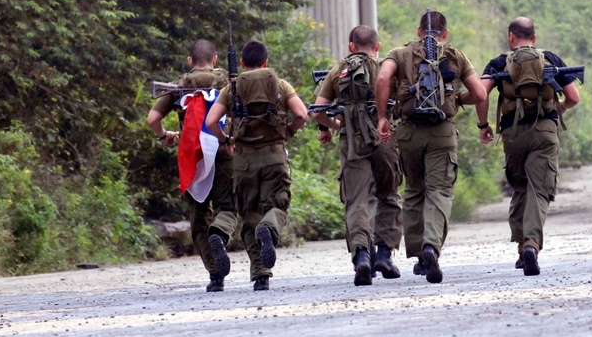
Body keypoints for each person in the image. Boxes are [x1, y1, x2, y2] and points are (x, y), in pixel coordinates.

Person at [376, 10, 486, 283]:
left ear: (418, 31)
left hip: (409, 132)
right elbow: (481, 93)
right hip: (442, 132)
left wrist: (381, 117)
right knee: (439, 191)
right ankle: (431, 246)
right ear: (444, 33)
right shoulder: (455, 55)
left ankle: (417, 254)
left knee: (414, 189)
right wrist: (458, 99)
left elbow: (381, 79)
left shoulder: (399, 54)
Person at [476, 17, 579, 276]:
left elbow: (481, 92)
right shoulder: (551, 59)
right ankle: (532, 245)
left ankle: (522, 247)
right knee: (539, 189)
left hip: (512, 133)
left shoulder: (500, 63)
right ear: (534, 38)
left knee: (520, 187)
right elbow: (573, 97)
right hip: (544, 130)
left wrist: (483, 125)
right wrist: (559, 108)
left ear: (511, 37)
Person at [205, 40, 308, 291]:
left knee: (249, 213)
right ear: (266, 63)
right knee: (277, 203)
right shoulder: (280, 85)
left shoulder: (232, 88)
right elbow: (303, 114)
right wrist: (289, 132)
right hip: (274, 155)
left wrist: (226, 139)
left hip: (243, 160)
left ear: (242, 63)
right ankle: (269, 228)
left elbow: (211, 121)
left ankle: (260, 273)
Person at [312, 25, 403, 286]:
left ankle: (362, 255)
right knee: (389, 195)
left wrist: (337, 126)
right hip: (385, 139)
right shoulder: (387, 68)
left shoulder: (338, 70)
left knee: (357, 200)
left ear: (351, 46)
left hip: (352, 142)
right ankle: (384, 254)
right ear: (378, 46)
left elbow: (318, 111)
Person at [146, 39, 238, 293]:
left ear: (190, 61)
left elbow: (152, 119)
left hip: (192, 155)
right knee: (227, 206)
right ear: (215, 59)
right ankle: (220, 233)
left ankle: (215, 274)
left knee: (199, 216)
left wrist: (163, 135)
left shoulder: (179, 85)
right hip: (223, 149)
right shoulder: (229, 81)